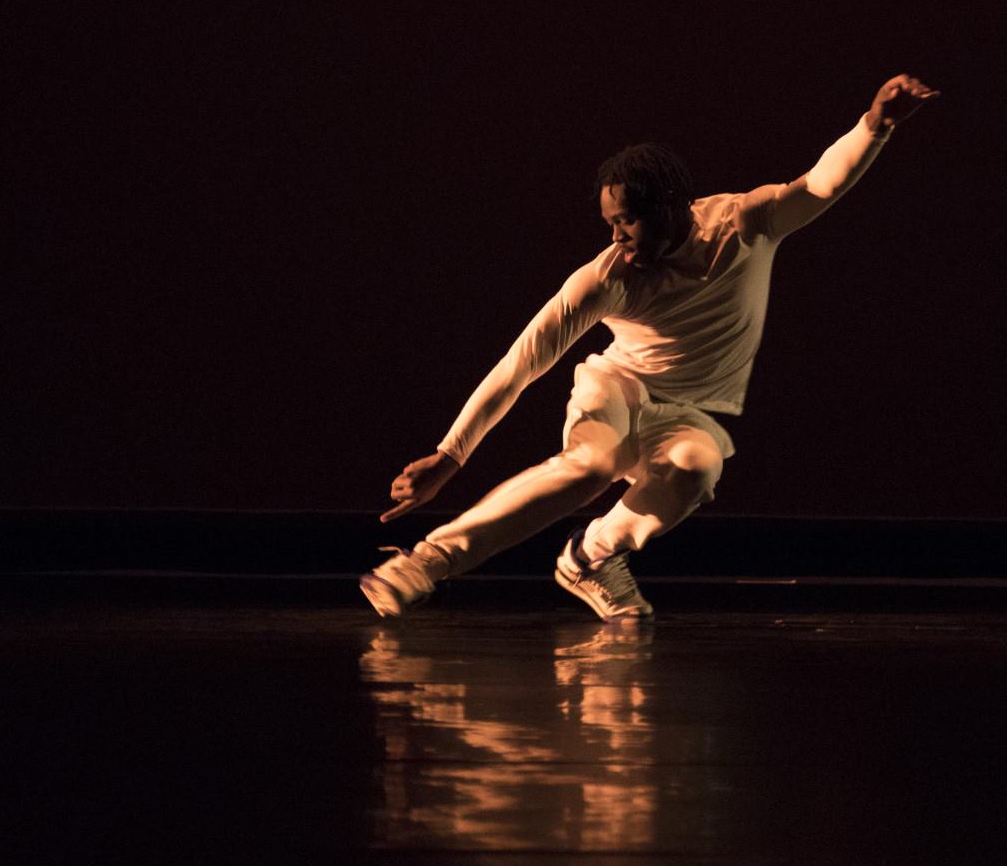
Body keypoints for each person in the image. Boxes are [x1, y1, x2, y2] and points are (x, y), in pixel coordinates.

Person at [361, 72, 938, 620]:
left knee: (697, 466)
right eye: (610, 223)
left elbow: (821, 183)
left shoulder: (744, 224)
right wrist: (451, 454)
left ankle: (589, 557)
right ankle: (426, 562)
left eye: (628, 222)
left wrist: (876, 123)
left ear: (670, 207)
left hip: (684, 410)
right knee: (589, 467)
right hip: (617, 388)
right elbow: (523, 362)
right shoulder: (607, 277)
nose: (616, 237)